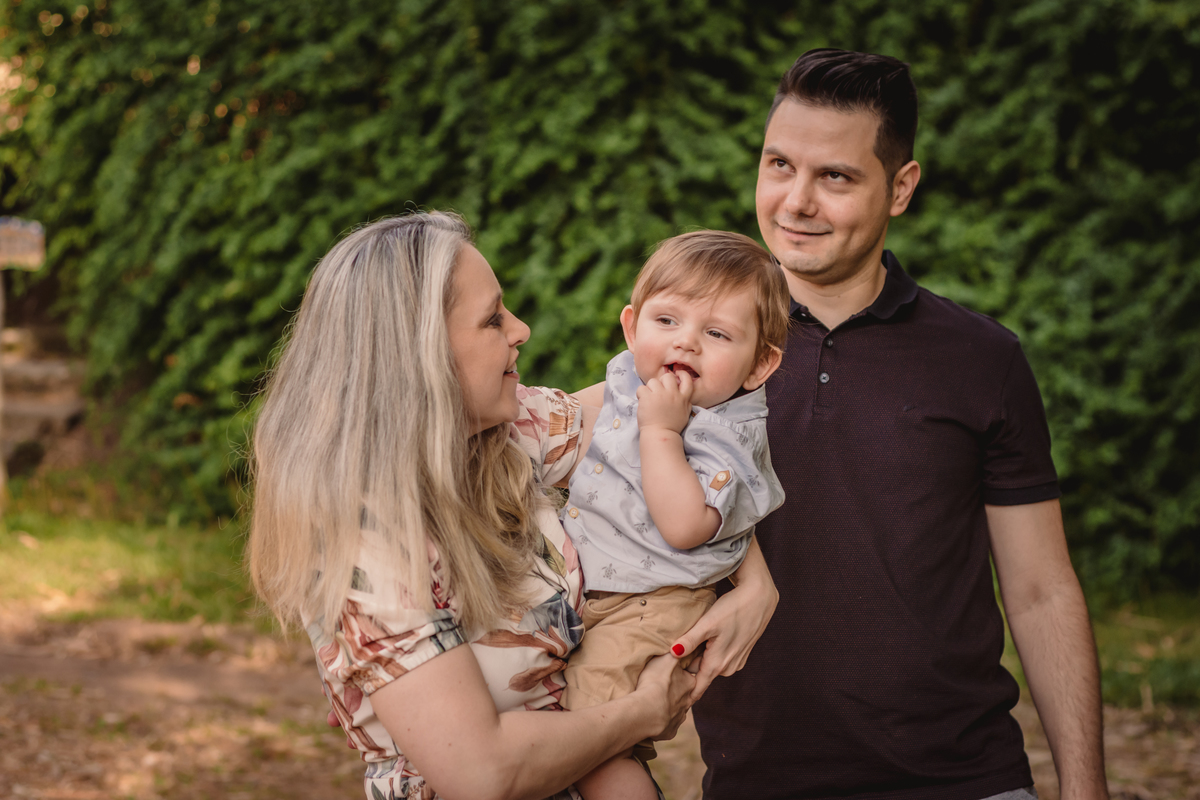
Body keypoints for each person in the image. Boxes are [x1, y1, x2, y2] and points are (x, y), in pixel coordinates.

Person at [687, 48, 1111, 800]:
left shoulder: (983, 359)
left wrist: (1086, 791)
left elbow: (1042, 590)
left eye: (836, 177)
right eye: (779, 165)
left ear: (901, 187)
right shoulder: (693, 353)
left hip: (962, 779)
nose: (795, 202)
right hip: (754, 781)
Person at [246, 212, 780, 800]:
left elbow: (677, 436)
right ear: (419, 355)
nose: (521, 329)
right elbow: (481, 776)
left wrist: (754, 582)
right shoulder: (368, 546)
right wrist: (643, 710)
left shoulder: (509, 430)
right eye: (493, 318)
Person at [560, 231, 790, 800]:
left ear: (760, 364)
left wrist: (662, 431)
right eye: (667, 321)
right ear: (632, 327)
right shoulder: (629, 380)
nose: (685, 344)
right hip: (592, 589)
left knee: (589, 735)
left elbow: (686, 527)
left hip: (652, 603)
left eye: (715, 334)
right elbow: (563, 418)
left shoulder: (727, 436)